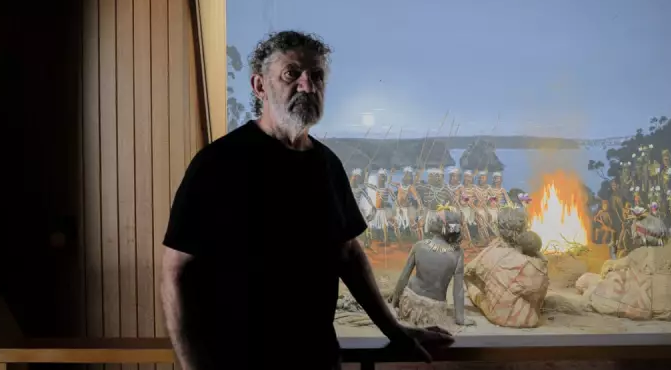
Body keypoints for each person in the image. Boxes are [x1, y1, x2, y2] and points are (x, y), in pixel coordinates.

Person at [160, 31, 453, 370]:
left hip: (317, 357)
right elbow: (176, 271)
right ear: (259, 86)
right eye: (292, 74)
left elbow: (348, 254)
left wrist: (395, 330)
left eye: (317, 76)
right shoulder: (218, 163)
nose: (308, 86)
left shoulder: (327, 165)